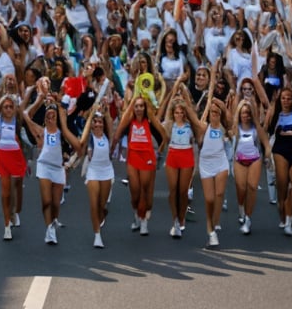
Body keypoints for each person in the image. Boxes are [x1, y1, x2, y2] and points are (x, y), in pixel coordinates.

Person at [22, 85, 83, 245]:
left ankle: (54, 220)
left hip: (58, 169)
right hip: (44, 167)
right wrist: (39, 98)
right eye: (48, 116)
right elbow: (25, 115)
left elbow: (79, 148)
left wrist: (63, 121)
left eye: (53, 116)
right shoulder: (40, 132)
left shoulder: (62, 133)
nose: (50, 119)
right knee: (46, 201)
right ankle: (49, 229)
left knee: (56, 203)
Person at [112, 92, 164, 234]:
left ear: (145, 107)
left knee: (143, 191)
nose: (139, 108)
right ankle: (137, 214)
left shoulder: (150, 121)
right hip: (133, 158)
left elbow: (164, 136)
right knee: (134, 192)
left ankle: (143, 222)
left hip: (147, 159)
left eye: (141, 106)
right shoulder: (129, 122)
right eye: (136, 106)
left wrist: (159, 152)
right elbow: (117, 134)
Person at [163, 82, 203, 238]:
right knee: (173, 190)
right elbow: (166, 112)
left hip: (186, 156)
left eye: (181, 112)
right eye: (176, 112)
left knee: (183, 191)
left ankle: (182, 218)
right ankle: (175, 221)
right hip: (173, 155)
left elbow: (195, 120)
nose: (178, 114)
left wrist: (184, 95)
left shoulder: (190, 124)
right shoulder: (169, 124)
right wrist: (173, 91)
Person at [0, 92, 28, 240]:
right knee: (5, 193)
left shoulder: (17, 120)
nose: (8, 109)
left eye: (10, 107)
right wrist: (3, 97)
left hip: (17, 158)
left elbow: (22, 109)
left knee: (16, 187)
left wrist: (14, 99)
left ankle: (16, 211)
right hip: (3, 158)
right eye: (5, 107)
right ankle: (7, 225)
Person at [267, 85, 292, 237]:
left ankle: (289, 222)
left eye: (289, 98)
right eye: (283, 98)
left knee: (291, 188)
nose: (286, 101)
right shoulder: (275, 114)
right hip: (280, 150)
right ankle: (281, 210)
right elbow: (266, 128)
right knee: (282, 186)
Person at [81, 93, 115, 248]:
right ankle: (97, 235)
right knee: (94, 204)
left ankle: (103, 213)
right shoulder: (89, 138)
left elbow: (109, 122)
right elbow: (86, 130)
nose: (97, 125)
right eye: (95, 122)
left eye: (99, 122)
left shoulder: (108, 137)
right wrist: (91, 115)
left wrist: (105, 111)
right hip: (93, 171)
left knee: (101, 205)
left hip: (107, 171)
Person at [232, 97, 271, 235]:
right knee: (241, 188)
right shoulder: (236, 128)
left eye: (248, 113)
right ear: (239, 114)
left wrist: (267, 158)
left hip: (255, 159)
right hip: (239, 160)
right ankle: (241, 208)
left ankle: (248, 218)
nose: (246, 116)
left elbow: (266, 144)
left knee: (252, 187)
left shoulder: (257, 128)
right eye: (243, 113)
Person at [197, 93, 230, 248]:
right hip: (206, 164)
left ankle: (212, 230)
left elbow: (231, 122)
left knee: (219, 195)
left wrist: (223, 106)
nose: (214, 115)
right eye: (212, 112)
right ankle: (210, 225)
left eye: (217, 113)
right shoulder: (204, 127)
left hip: (221, 162)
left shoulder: (225, 127)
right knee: (209, 199)